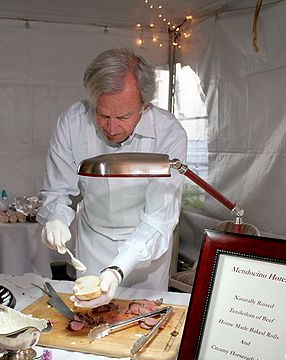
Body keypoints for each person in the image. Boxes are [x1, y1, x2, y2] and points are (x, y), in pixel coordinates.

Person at [37, 48, 187, 308]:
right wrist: (56, 219)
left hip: (148, 251)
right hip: (93, 242)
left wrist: (118, 268)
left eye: (124, 117)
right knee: (88, 320)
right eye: (103, 115)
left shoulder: (169, 135)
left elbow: (159, 218)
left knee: (144, 319)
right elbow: (58, 191)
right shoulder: (72, 123)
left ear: (145, 105)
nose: (112, 127)